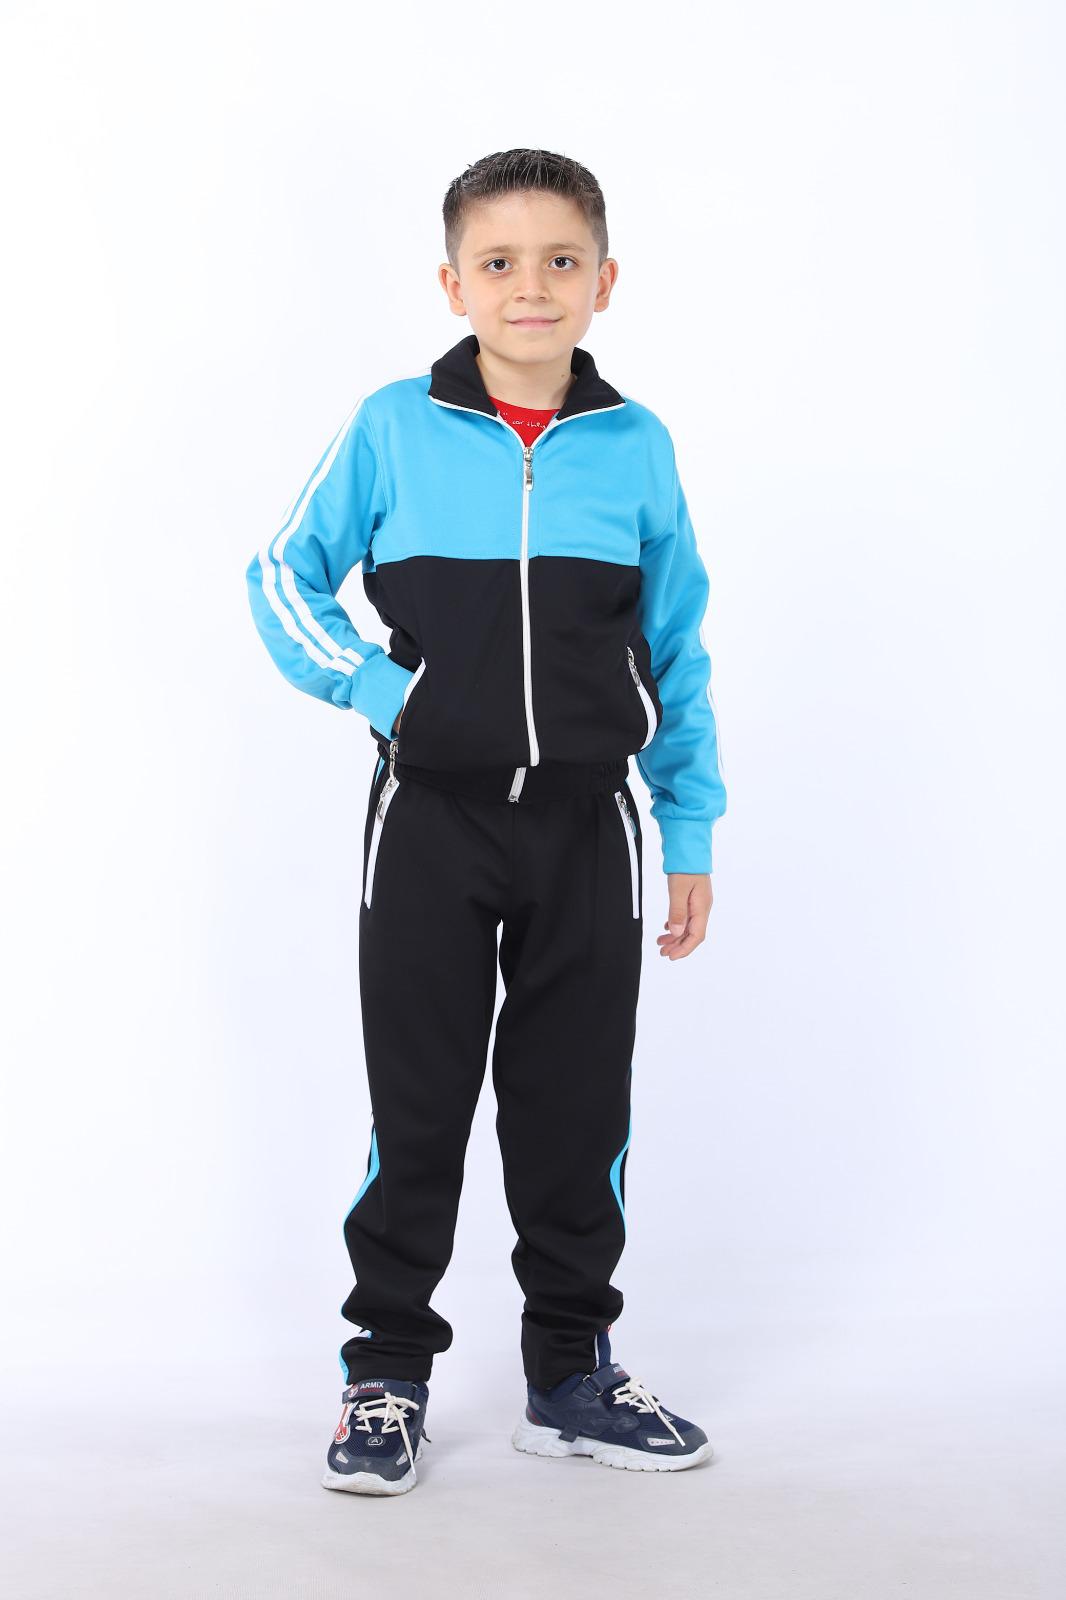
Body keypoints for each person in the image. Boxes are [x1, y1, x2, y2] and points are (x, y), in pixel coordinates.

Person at [245, 148, 727, 1496]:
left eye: (561, 260)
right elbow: (281, 576)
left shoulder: (635, 447)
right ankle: (385, 1373)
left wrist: (688, 827)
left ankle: (570, 1375)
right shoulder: (393, 427)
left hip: (590, 829)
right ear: (452, 283)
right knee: (420, 1104)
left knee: (575, 1108)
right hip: (430, 822)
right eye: (499, 262)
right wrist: (380, 691)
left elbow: (677, 646)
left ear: (604, 282)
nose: (531, 287)